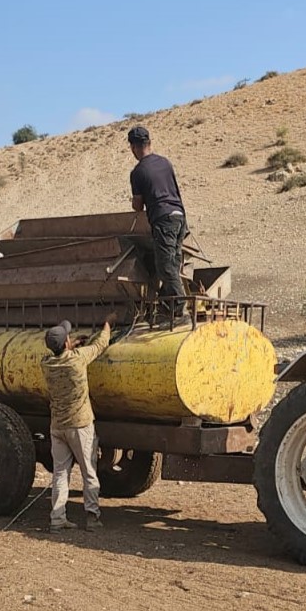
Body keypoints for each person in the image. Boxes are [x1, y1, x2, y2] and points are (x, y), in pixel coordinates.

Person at [41, 315, 116, 532]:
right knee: (89, 471)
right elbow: (100, 344)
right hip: (80, 425)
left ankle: (57, 518)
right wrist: (107, 324)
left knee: (60, 473)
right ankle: (92, 518)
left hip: (57, 427)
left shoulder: (46, 363)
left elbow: (59, 354)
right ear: (66, 343)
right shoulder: (77, 359)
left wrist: (70, 345)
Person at [127, 125, 187, 319]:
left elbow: (138, 206)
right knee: (173, 262)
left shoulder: (138, 172)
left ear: (133, 147)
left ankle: (179, 306)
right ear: (149, 143)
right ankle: (166, 306)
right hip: (180, 216)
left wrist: (135, 202)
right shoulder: (165, 163)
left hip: (163, 219)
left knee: (165, 266)